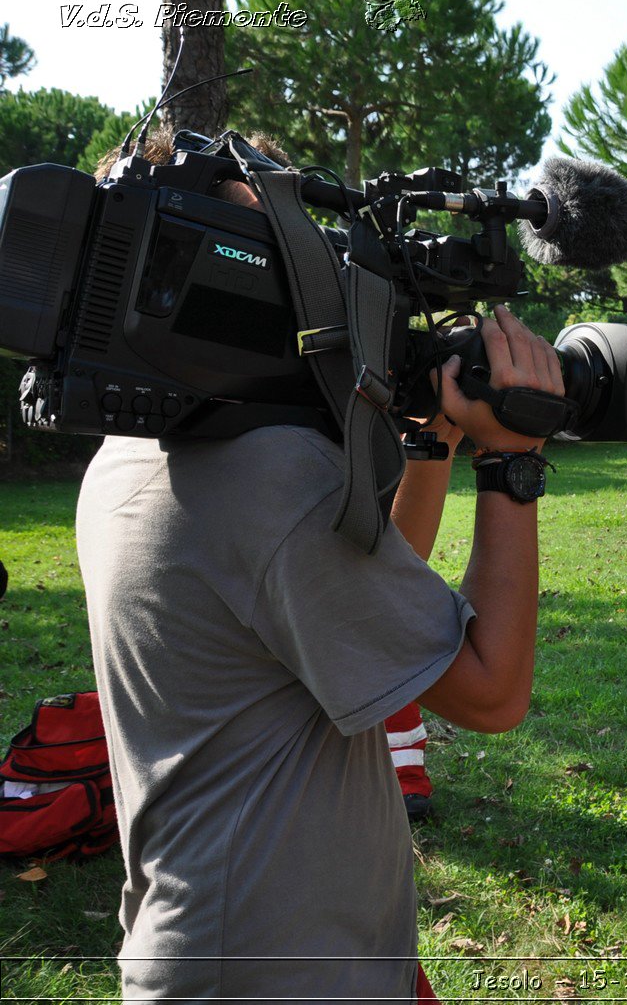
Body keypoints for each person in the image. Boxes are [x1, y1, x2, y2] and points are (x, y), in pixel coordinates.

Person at [78, 134, 561, 1000]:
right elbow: (492, 692)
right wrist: (511, 460)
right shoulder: (264, 478)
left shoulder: (134, 448)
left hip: (220, 947)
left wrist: (430, 446)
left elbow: (353, 590)